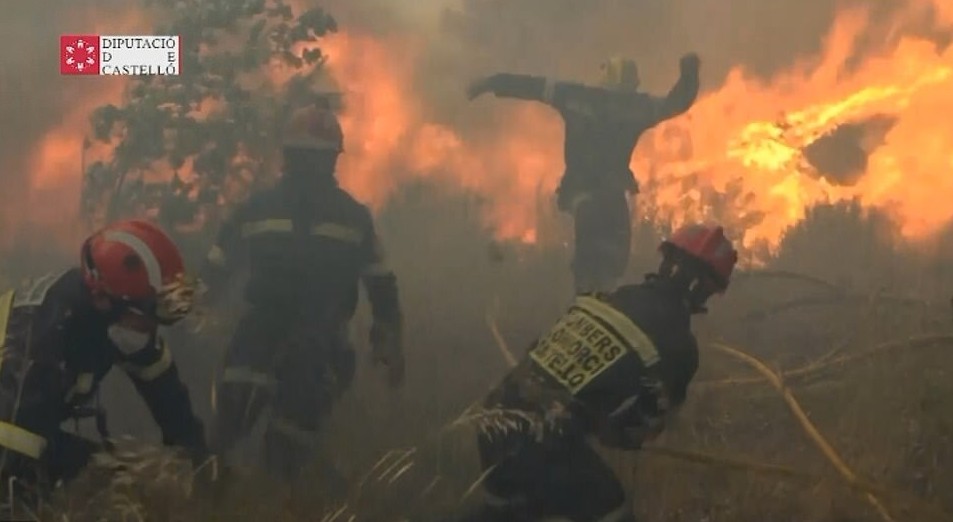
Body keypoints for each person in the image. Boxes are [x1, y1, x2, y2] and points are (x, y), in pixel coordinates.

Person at [458, 224, 738, 522]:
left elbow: (540, 352)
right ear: (706, 289)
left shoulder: (611, 299)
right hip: (546, 437)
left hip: (495, 415)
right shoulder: (679, 346)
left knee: (510, 512)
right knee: (613, 513)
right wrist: (613, 430)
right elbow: (641, 426)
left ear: (665, 260)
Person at [202, 104, 404, 482]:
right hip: (271, 332)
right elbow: (213, 271)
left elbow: (382, 285)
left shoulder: (341, 216)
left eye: (318, 157)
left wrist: (388, 336)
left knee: (286, 441)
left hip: (317, 340)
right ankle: (220, 495)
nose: (312, 166)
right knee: (228, 431)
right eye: (306, 156)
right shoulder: (344, 215)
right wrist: (190, 308)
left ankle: (266, 500)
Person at [0, 219, 208, 501]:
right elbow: (13, 456)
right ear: (101, 299)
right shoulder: (42, 340)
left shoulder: (115, 318)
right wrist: (109, 477)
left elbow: (168, 396)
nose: (150, 330)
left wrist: (200, 465)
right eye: (145, 317)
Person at [467, 54, 701, 294]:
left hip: (602, 190)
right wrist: (690, 73)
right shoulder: (633, 107)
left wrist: (491, 83)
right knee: (595, 246)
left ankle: (599, 295)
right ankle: (587, 296)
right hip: (587, 190)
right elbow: (677, 102)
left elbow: (533, 86)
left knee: (613, 249)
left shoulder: (579, 97)